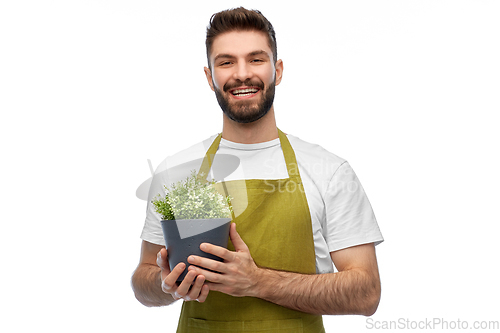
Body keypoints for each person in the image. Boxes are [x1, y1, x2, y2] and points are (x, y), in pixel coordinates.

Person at [131, 7, 383, 333]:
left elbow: (366, 293)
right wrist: (164, 284)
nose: (242, 73)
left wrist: (257, 282)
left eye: (256, 59)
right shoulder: (176, 171)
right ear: (210, 77)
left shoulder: (329, 171)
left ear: (277, 70)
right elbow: (143, 278)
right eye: (226, 62)